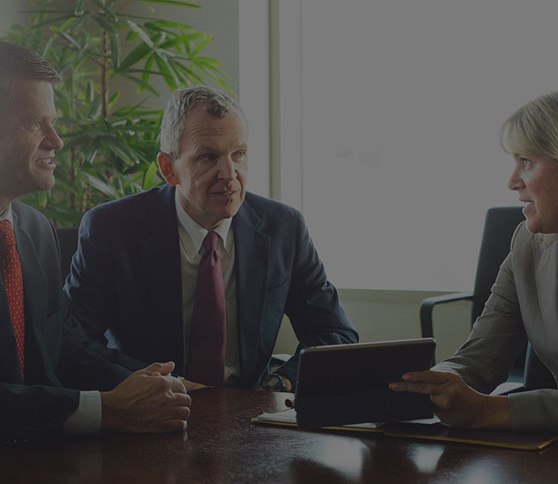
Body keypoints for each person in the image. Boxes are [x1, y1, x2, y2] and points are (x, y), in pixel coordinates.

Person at [64, 86, 358, 392]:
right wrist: (163, 384)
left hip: (251, 418)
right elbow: (75, 345)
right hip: (149, 411)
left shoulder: (284, 228)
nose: (229, 174)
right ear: (169, 169)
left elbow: (333, 333)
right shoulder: (113, 229)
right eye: (208, 157)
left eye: (238, 154)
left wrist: (282, 381)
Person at [0, 42, 191, 441]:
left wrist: (150, 387)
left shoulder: (35, 231)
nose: (56, 140)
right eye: (35, 123)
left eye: (53, 122)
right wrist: (104, 410)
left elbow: (67, 352)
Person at [390, 92, 558, 432]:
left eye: (526, 161)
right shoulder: (527, 244)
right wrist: (431, 386)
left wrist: (489, 411)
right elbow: (480, 358)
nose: (512, 181)